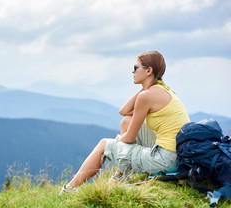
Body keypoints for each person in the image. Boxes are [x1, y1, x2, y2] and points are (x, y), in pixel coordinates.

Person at [59, 50, 190, 194]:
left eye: (136, 67)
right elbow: (124, 112)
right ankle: (120, 177)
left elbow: (129, 138)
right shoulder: (162, 90)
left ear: (149, 70)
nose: (132, 71)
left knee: (103, 144)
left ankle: (69, 189)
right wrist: (145, 86)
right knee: (126, 122)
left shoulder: (147, 96)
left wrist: (116, 143)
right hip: (177, 157)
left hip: (165, 161)